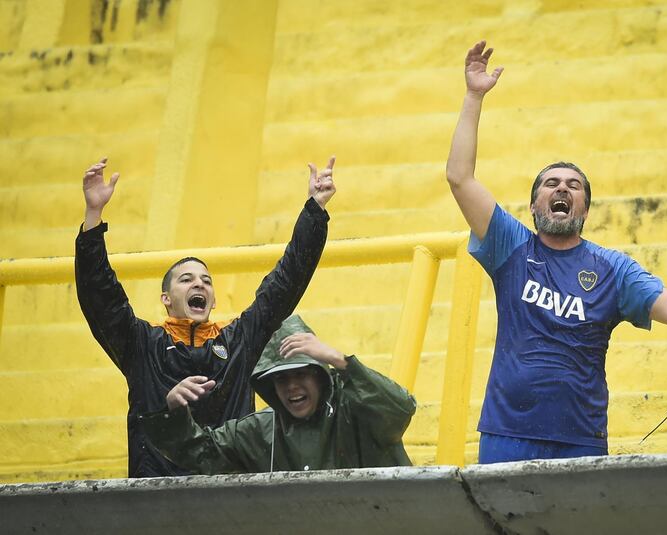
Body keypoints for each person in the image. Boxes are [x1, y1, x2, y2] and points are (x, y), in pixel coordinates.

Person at [445, 41, 667, 463]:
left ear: (584, 208)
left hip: (581, 439)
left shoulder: (612, 269)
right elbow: (459, 177)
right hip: (507, 433)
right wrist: (474, 95)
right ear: (533, 206)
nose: (562, 188)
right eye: (550, 183)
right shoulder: (510, 245)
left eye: (574, 185)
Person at [75, 156, 336, 477]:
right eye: (186, 279)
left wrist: (315, 210)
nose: (199, 282)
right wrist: (93, 217)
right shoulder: (142, 345)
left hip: (230, 501)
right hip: (156, 503)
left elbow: (286, 282)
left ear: (211, 300)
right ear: (166, 299)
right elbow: (101, 298)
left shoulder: (238, 340)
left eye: (206, 280)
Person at [140, 315, 416, 473]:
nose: (292, 386)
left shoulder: (356, 409)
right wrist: (173, 411)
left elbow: (400, 409)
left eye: (301, 374)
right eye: (281, 379)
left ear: (320, 376)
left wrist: (342, 361)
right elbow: (198, 453)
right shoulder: (261, 429)